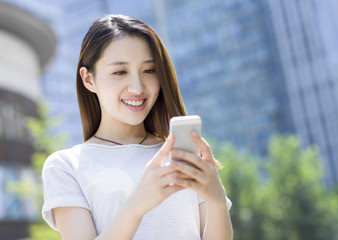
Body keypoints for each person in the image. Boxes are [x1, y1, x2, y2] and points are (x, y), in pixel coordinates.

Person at [42, 14, 233, 240]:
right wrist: (137, 204)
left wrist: (218, 202)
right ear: (88, 79)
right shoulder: (66, 166)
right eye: (120, 72)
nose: (137, 87)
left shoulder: (181, 153)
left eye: (149, 70)